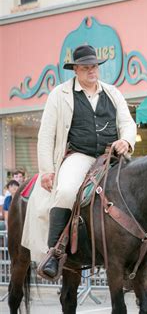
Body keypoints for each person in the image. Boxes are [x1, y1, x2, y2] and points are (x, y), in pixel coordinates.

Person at [23, 44, 136, 280]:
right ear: (75, 69)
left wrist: (126, 140)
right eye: (85, 67)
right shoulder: (60, 94)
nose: (91, 71)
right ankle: (54, 253)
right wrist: (47, 170)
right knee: (65, 191)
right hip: (80, 156)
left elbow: (127, 122)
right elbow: (46, 135)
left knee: (136, 189)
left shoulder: (113, 93)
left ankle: (136, 255)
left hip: (111, 157)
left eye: (94, 66)